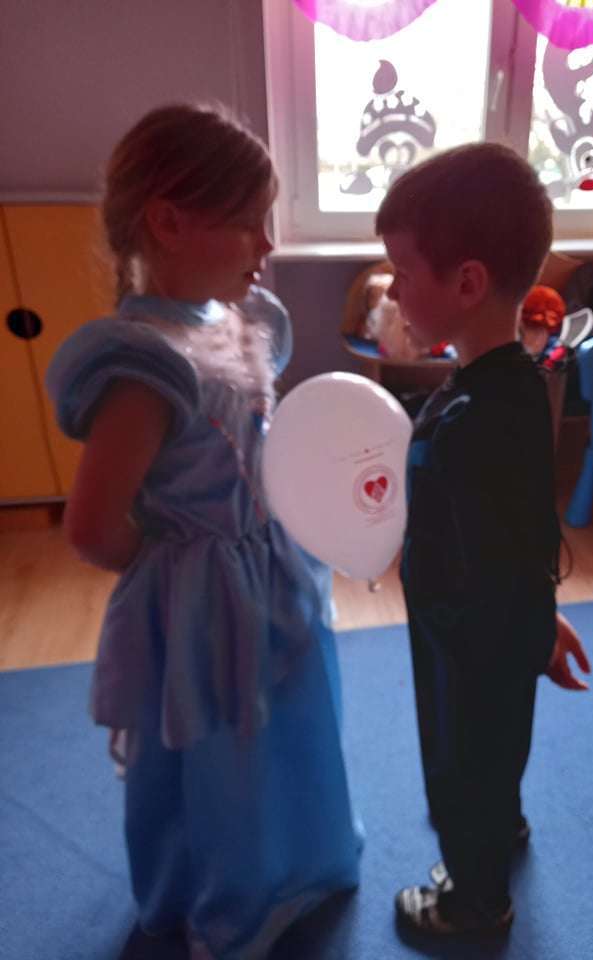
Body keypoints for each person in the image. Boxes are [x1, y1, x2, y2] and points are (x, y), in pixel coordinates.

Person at [46, 103, 360, 960]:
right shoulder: (145, 364)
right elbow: (92, 525)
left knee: (287, 722)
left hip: (273, 569)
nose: (268, 244)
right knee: (223, 753)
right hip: (203, 595)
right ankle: (233, 902)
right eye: (249, 222)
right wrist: (175, 573)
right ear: (170, 223)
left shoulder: (243, 318)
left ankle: (299, 862)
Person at [375, 142, 591, 937]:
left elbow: (500, 546)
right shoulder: (512, 385)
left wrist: (523, 626)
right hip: (490, 634)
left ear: (467, 283)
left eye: (402, 271)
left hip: (465, 645)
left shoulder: (475, 420)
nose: (392, 290)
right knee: (496, 752)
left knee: (460, 768)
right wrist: (540, 618)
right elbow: (522, 528)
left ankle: (475, 902)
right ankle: (498, 830)